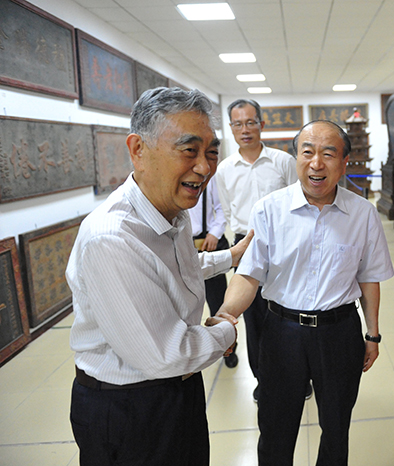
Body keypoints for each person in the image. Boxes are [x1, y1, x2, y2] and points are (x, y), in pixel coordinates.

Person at [66, 87, 250, 465]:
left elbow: (175, 269)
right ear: (138, 149)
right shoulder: (112, 239)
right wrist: (227, 328)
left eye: (211, 152)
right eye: (189, 150)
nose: (204, 167)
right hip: (130, 407)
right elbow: (167, 355)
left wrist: (231, 256)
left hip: (177, 390)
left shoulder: (172, 211)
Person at [211, 120, 394, 466]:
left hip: (339, 333)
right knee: (275, 428)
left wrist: (372, 334)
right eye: (307, 152)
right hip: (282, 333)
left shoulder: (363, 214)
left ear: (344, 162)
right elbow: (249, 274)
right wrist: (226, 313)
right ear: (296, 157)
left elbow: (369, 278)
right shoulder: (269, 209)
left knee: (336, 428)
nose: (316, 163)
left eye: (328, 154)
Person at [215, 99, 297, 390]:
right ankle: (263, 380)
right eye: (238, 124)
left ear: (262, 124)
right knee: (254, 316)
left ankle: (297, 377)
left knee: (289, 312)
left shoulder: (283, 162)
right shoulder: (224, 169)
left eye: (251, 122)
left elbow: (297, 203)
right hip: (245, 245)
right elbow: (227, 210)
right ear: (231, 128)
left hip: (284, 243)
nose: (245, 129)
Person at [188, 176, 237, 367]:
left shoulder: (210, 179)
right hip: (182, 245)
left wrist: (215, 234)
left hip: (208, 243)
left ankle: (228, 346)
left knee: (218, 300)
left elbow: (222, 209)